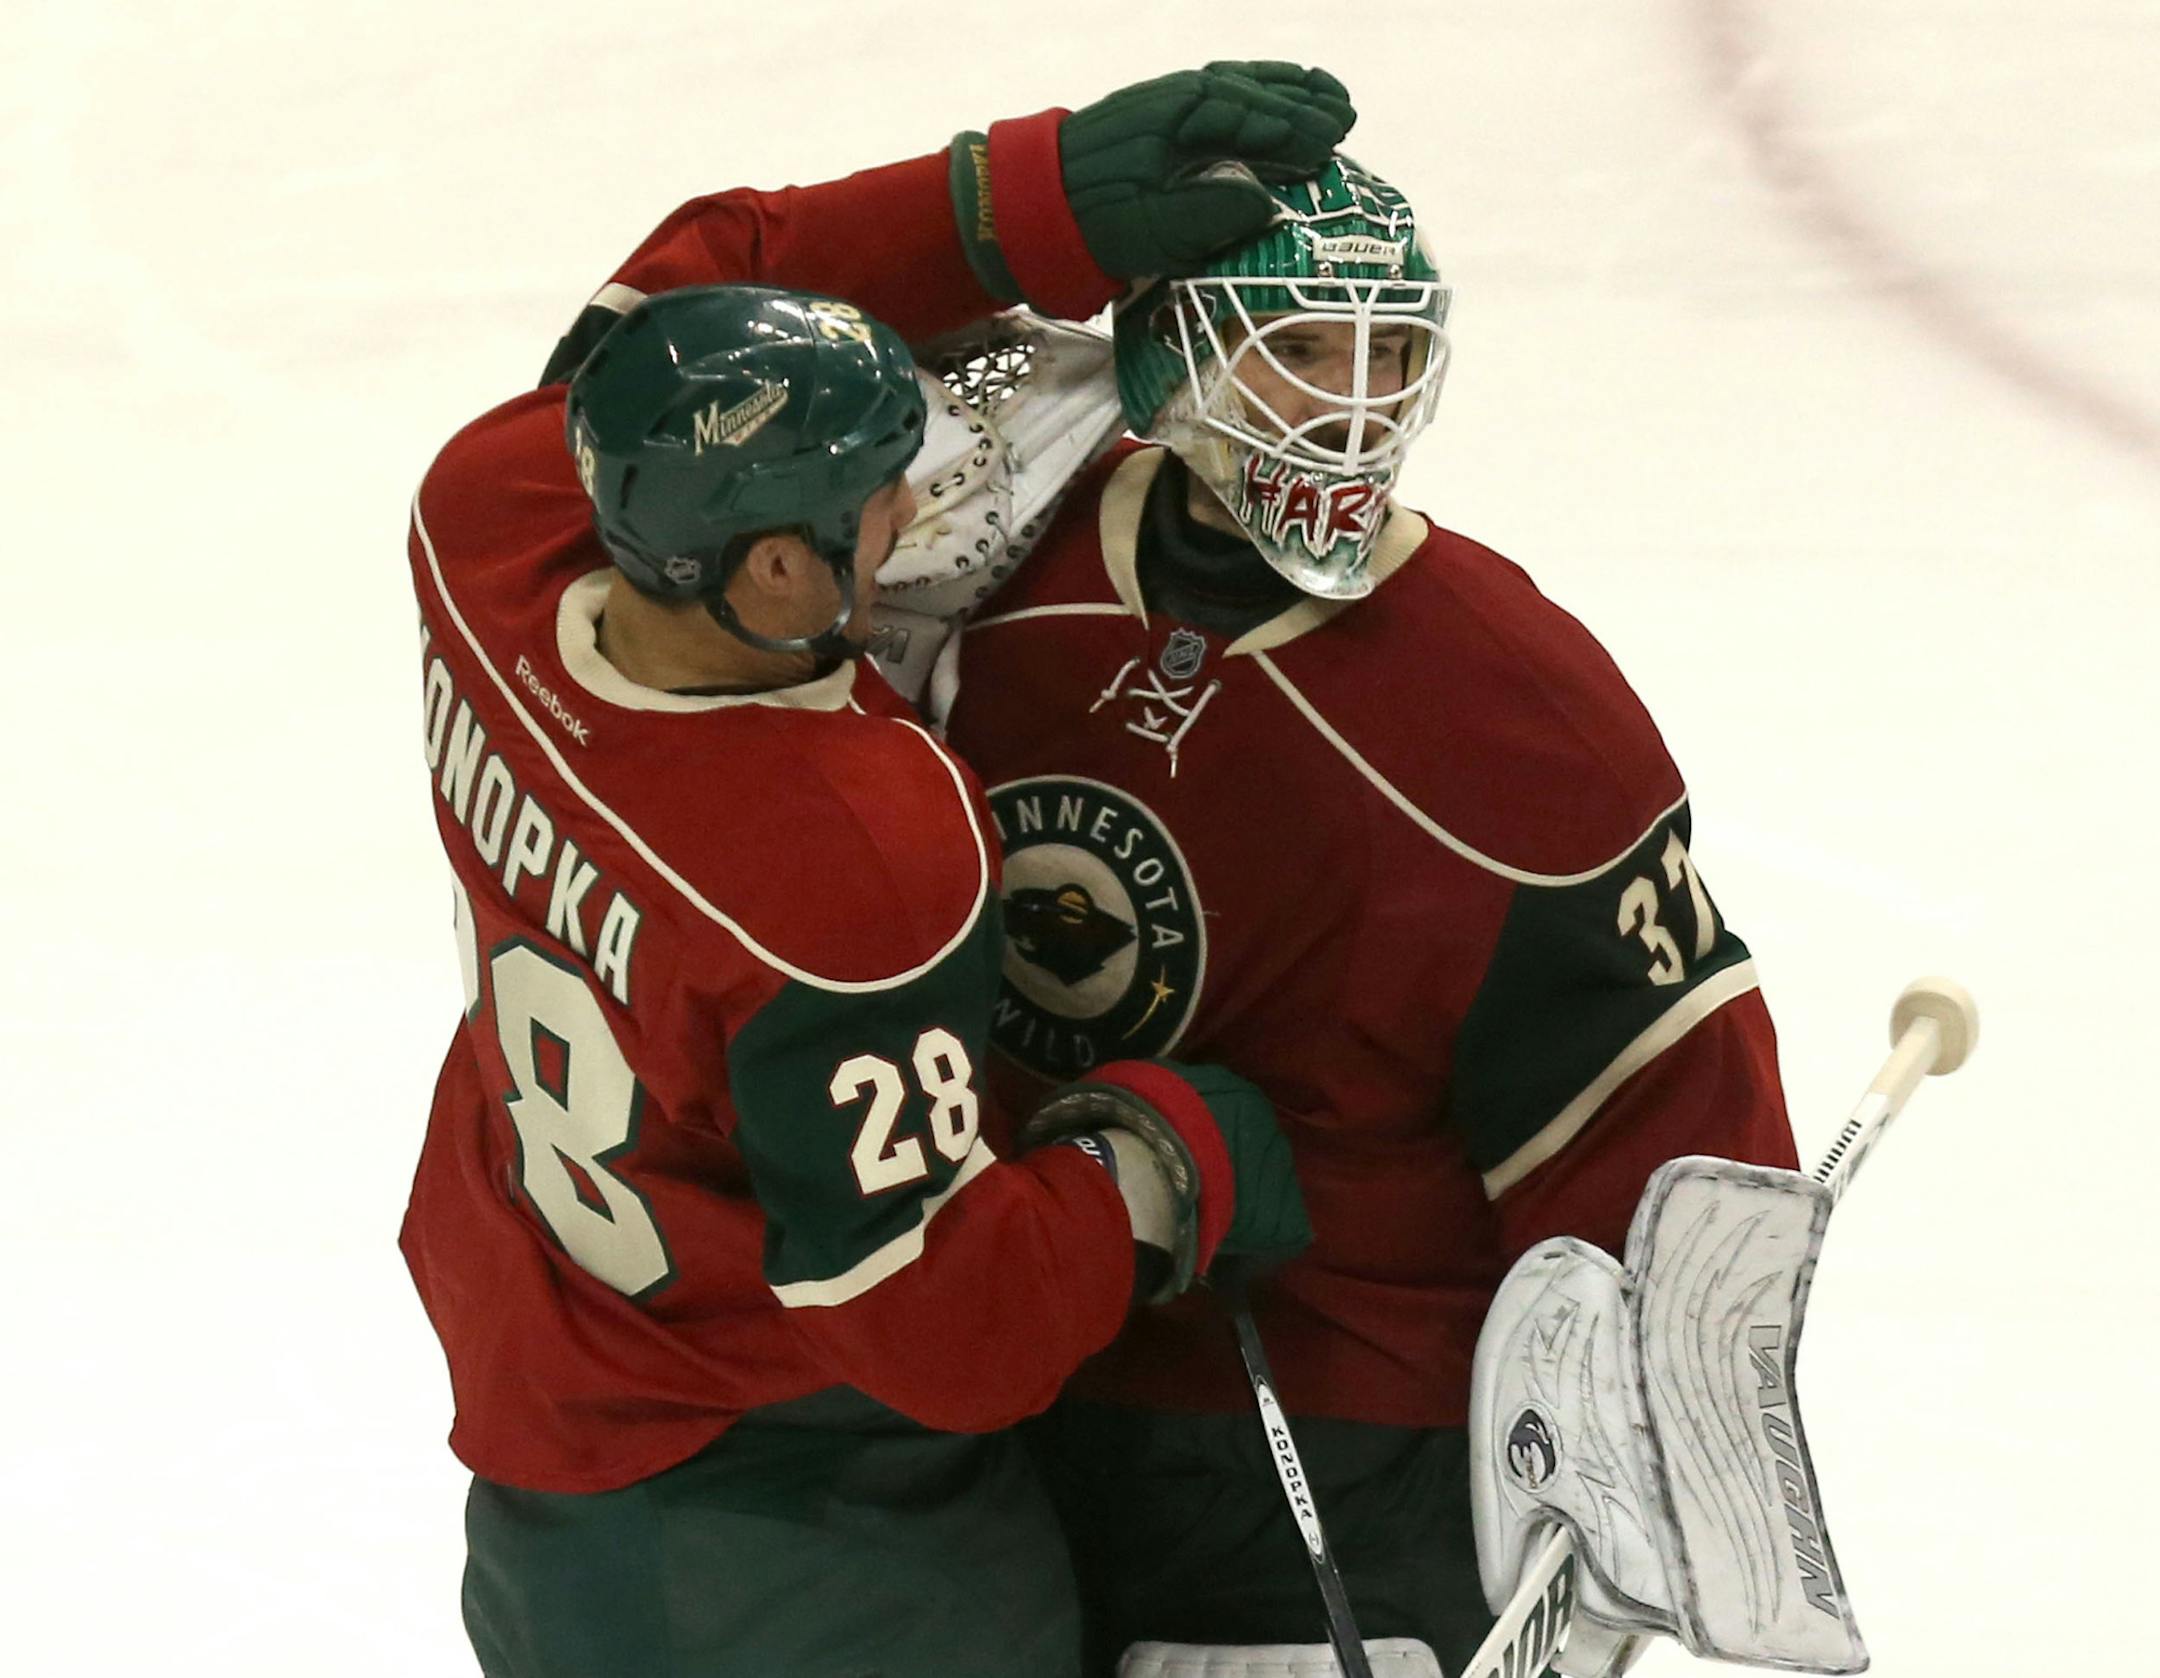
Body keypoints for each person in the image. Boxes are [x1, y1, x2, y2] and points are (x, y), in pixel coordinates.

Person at [536, 77, 1801, 1677]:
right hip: (1024, 1393)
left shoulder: (1516, 714)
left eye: (1387, 351)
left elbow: (1666, 1130)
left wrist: (1650, 1462)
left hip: (1349, 1458)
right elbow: (672, 404)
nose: (1350, 411)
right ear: (1173, 354)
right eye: (1298, 352)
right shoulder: (982, 562)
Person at [399, 277, 1318, 1678]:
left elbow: (698, 268)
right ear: (772, 571)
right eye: (881, 495)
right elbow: (949, 1327)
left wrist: (1022, 193)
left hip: (548, 1476)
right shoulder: (853, 861)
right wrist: (1151, 1170)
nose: (917, 510)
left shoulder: (484, 532)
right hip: (809, 1552)